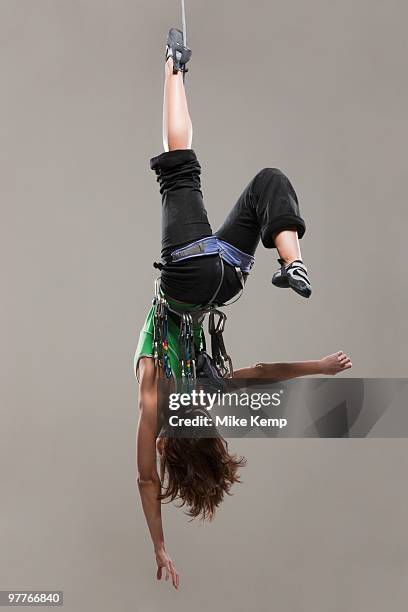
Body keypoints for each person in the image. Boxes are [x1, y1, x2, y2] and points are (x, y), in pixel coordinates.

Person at [135, 28, 352, 590]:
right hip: (189, 275)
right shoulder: (161, 402)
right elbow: (143, 481)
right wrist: (158, 544)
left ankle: (293, 260)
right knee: (178, 168)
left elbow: (263, 374)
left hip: (226, 280)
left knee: (266, 184)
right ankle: (171, 65)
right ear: (170, 446)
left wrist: (318, 367)